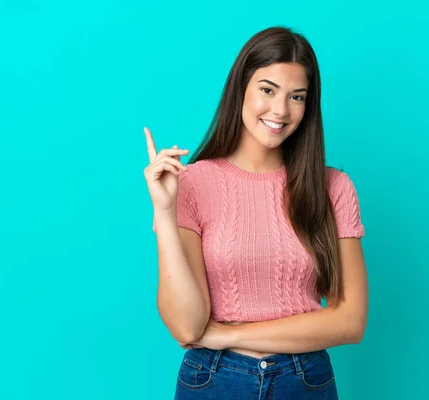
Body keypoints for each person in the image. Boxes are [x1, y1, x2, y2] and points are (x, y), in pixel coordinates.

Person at [143, 26, 368, 400]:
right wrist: (165, 213)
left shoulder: (333, 187)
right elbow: (187, 327)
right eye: (267, 89)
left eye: (297, 96)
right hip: (214, 379)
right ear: (241, 89)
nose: (280, 110)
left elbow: (351, 321)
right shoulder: (193, 182)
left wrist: (233, 333)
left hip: (304, 379)